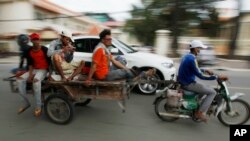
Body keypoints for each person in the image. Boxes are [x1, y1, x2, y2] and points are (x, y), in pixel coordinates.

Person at [177, 40, 226, 122]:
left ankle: (197, 104)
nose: (200, 50)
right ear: (195, 48)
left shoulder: (187, 56)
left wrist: (205, 70)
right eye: (199, 48)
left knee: (206, 87)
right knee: (212, 92)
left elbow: (195, 69)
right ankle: (199, 113)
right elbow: (201, 76)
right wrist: (216, 77)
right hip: (188, 83)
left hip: (185, 80)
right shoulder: (192, 59)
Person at [86, 29, 155, 84]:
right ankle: (142, 75)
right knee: (125, 72)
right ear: (103, 40)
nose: (111, 41)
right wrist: (89, 79)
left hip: (107, 69)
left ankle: (133, 73)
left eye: (111, 39)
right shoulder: (99, 49)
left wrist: (126, 68)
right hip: (103, 75)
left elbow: (114, 61)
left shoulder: (105, 48)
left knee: (121, 61)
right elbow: (94, 65)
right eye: (108, 39)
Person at [16, 33, 50, 117]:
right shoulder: (29, 51)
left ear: (39, 40)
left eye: (37, 39)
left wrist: (50, 74)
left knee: (36, 82)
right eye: (34, 40)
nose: (36, 41)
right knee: (19, 79)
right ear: (31, 41)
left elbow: (50, 63)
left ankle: (38, 106)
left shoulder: (45, 49)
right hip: (34, 69)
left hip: (43, 70)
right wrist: (30, 75)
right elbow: (30, 64)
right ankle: (25, 103)